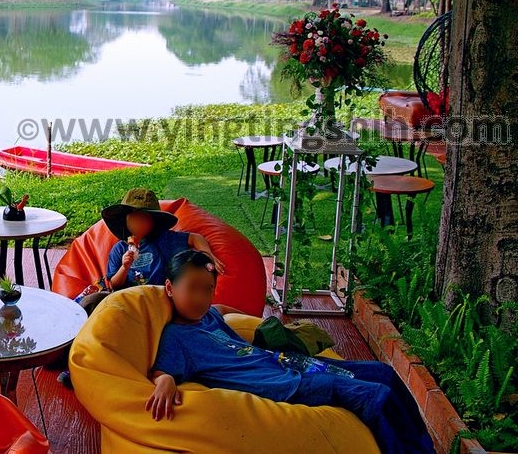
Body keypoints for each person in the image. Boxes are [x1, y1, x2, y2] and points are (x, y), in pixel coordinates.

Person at [145, 250, 434, 454]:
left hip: (290, 363)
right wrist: (165, 380)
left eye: (207, 289)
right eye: (192, 288)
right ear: (169, 288)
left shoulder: (208, 316)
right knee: (377, 396)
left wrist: (267, 325)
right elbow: (163, 370)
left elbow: (222, 311)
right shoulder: (175, 336)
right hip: (286, 385)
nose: (201, 298)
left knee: (385, 373)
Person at [58, 188, 224, 388]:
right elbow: (114, 283)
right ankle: (71, 357)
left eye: (144, 219)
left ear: (153, 222)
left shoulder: (164, 240)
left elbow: (195, 238)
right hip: (122, 300)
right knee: (91, 303)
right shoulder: (119, 249)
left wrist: (207, 255)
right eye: (134, 218)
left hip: (155, 302)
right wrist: (125, 266)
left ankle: (93, 367)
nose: (139, 224)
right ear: (126, 221)